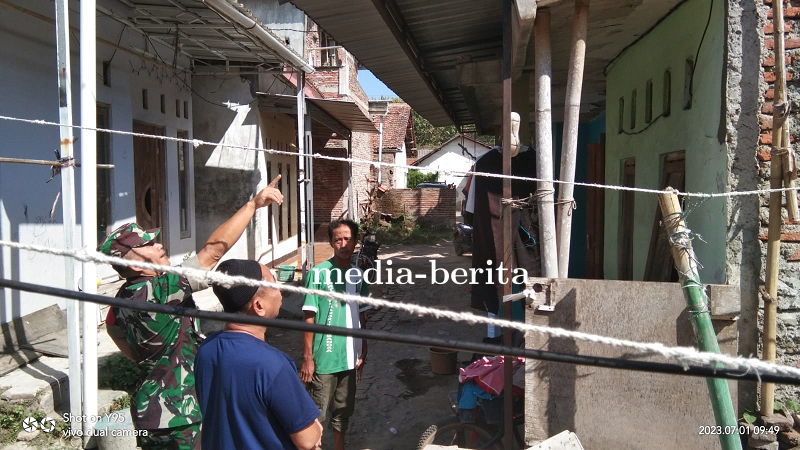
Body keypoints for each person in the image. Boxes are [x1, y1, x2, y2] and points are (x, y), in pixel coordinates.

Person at [97, 176, 283, 449]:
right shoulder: (162, 289)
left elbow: (113, 328)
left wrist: (152, 358)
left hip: (148, 411)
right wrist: (253, 204)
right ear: (135, 265)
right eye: (148, 245)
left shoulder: (122, 299)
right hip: (180, 414)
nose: (159, 245)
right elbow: (213, 251)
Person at [195, 259, 323, 450]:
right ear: (259, 306)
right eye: (273, 283)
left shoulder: (206, 350)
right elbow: (306, 439)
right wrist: (316, 428)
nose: (279, 290)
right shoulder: (273, 365)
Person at [300, 219, 369, 450]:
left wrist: (363, 348)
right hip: (324, 359)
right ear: (330, 242)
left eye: (348, 239)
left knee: (342, 413)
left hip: (349, 358)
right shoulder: (318, 273)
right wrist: (308, 358)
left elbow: (361, 314)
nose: (343, 244)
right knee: (314, 416)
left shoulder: (358, 275)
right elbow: (308, 316)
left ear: (355, 241)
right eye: (338, 239)